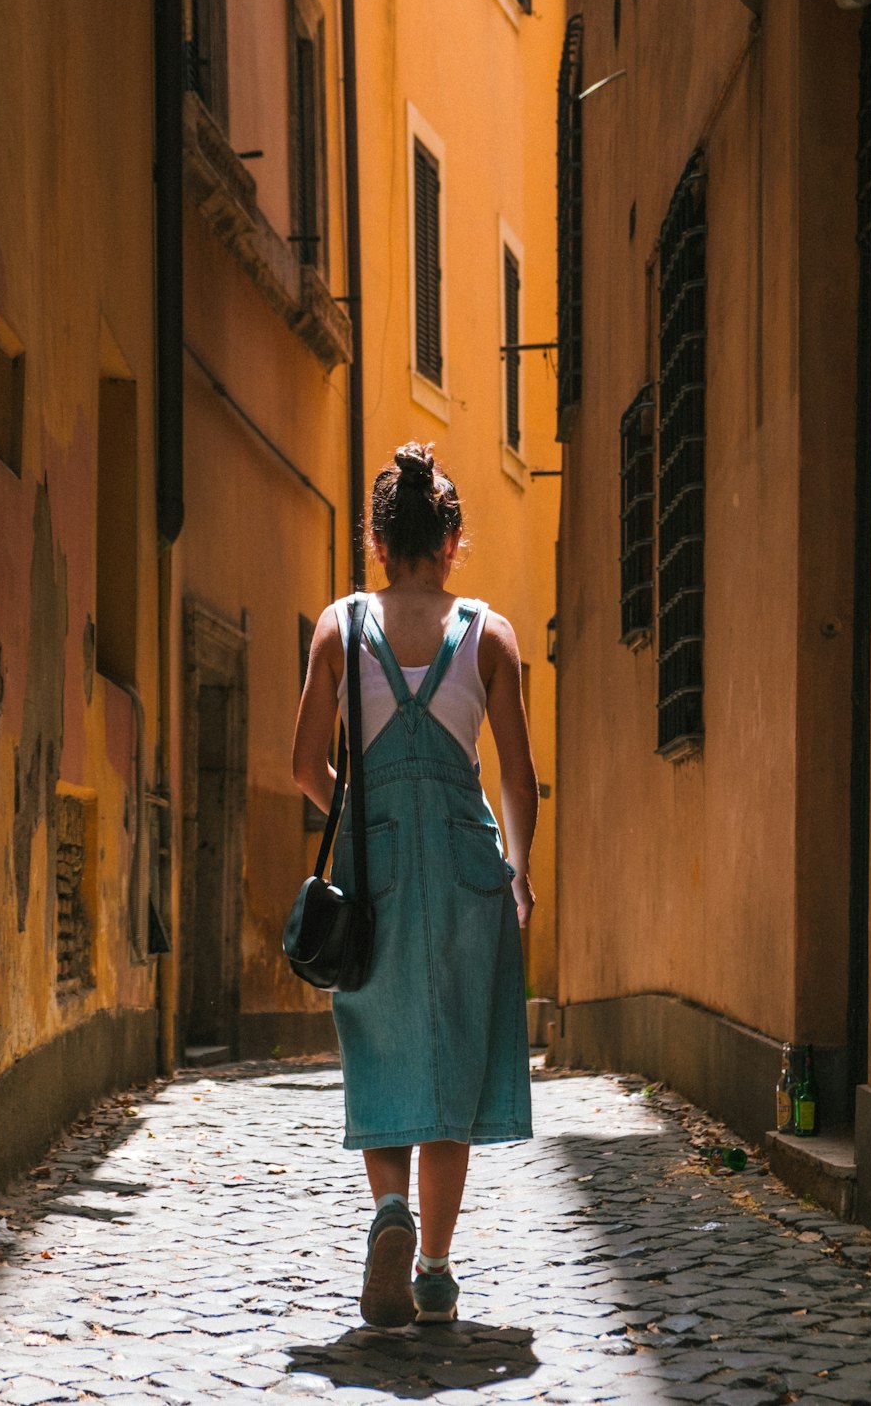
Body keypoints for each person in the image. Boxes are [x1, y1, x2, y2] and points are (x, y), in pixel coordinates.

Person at [292, 441, 538, 1328]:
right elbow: (517, 775)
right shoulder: (489, 634)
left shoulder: (340, 625)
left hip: (378, 863)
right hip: (468, 861)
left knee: (383, 1041)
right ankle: (433, 1264)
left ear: (377, 540)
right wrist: (518, 869)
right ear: (453, 538)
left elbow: (304, 767)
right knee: (454, 1057)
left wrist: (358, 812)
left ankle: (387, 1213)